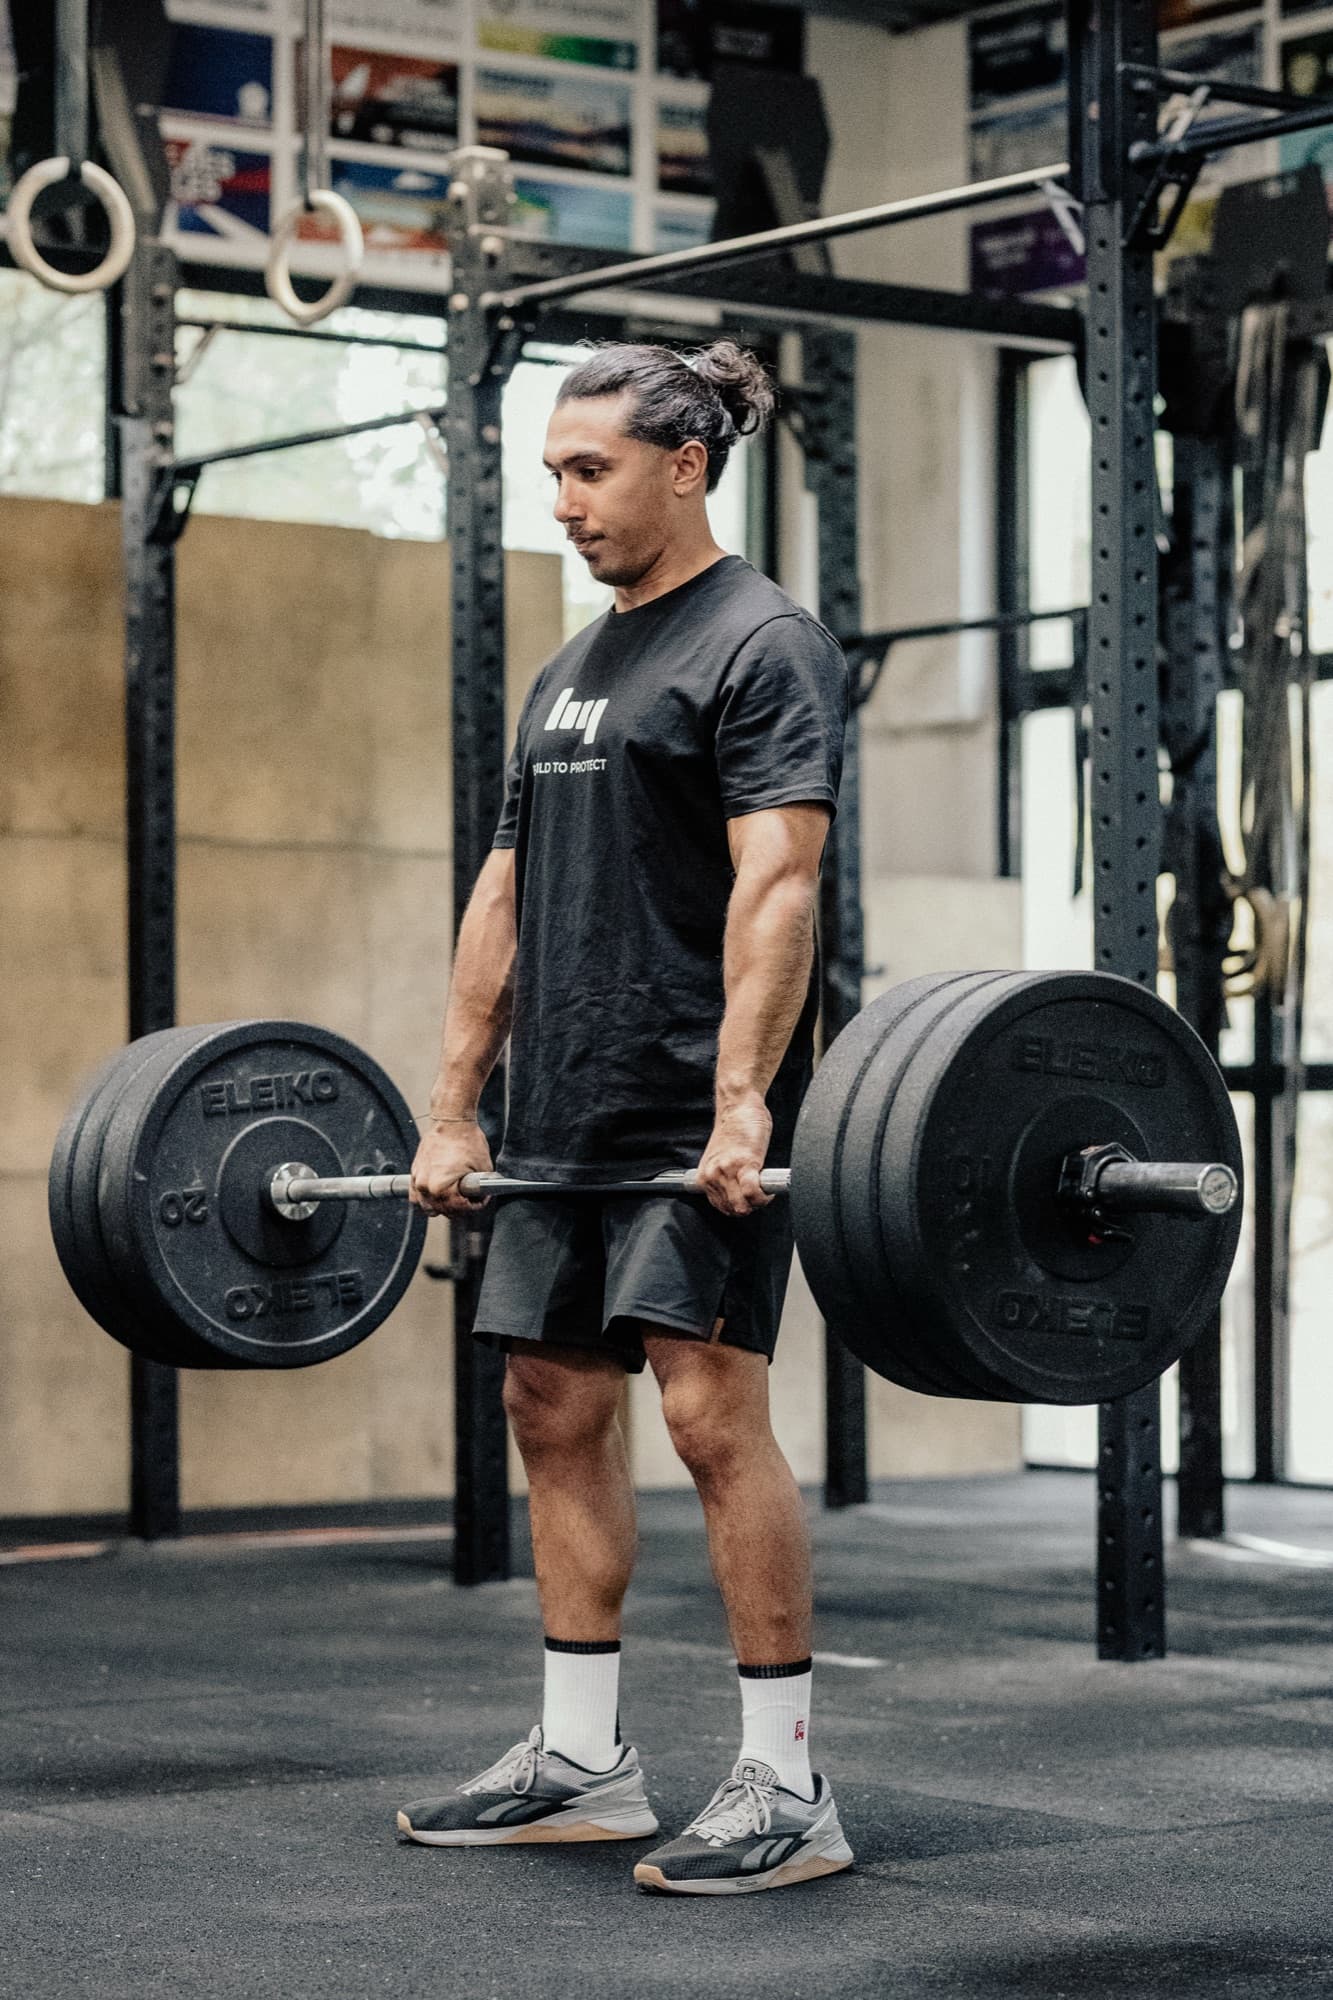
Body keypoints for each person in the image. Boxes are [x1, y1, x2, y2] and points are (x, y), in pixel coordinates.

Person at [397, 339, 851, 1897]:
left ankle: (786, 1786)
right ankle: (582, 1760)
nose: (566, 503)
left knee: (711, 1416)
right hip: (561, 1109)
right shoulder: (572, 669)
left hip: (686, 1108)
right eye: (552, 475)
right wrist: (454, 1106)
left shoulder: (761, 641)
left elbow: (777, 879)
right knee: (547, 1404)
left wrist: (742, 1099)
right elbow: (505, 890)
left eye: (588, 471)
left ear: (684, 464)